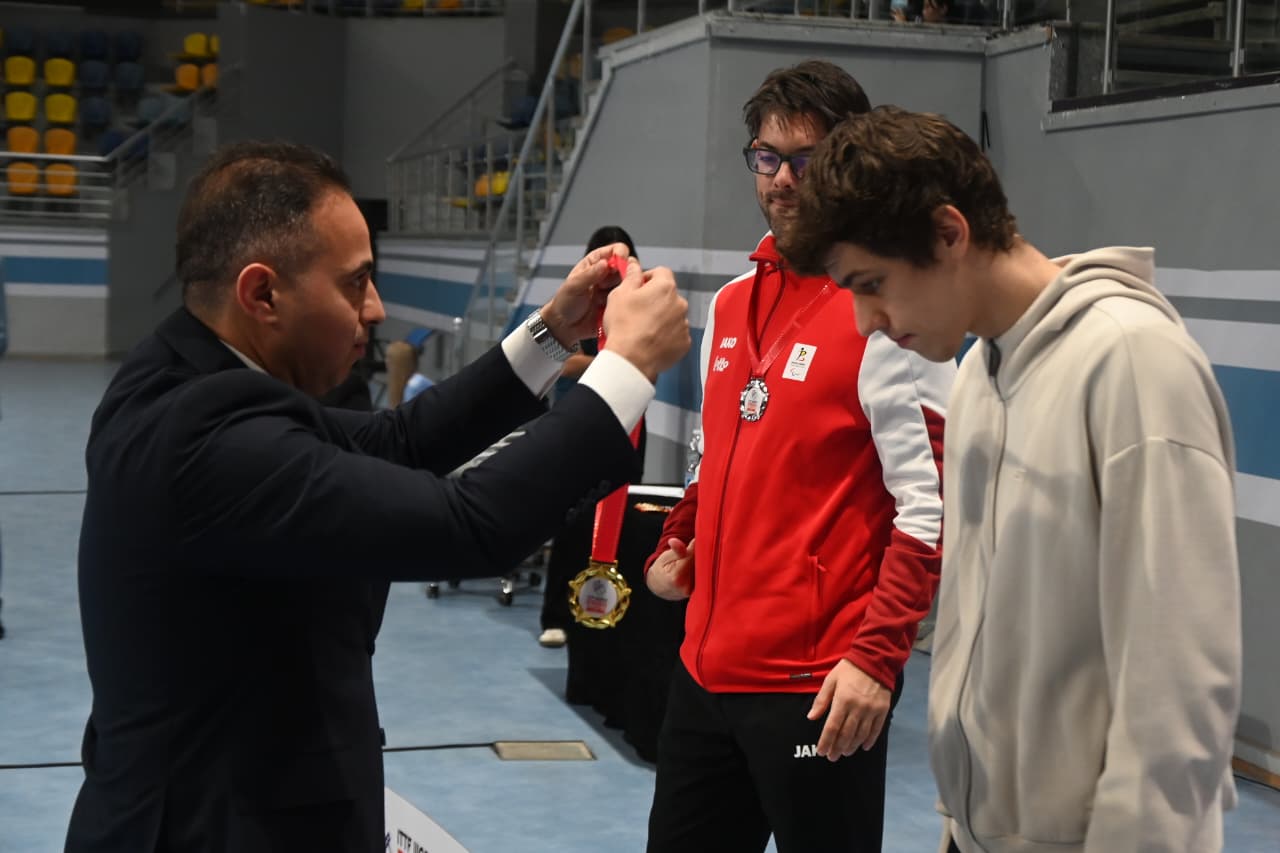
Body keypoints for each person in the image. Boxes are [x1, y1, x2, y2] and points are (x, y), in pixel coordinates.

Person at [65, 140, 690, 853]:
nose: (376, 308)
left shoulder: (189, 375)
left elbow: (395, 439)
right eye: (355, 283)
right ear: (261, 294)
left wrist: (554, 332)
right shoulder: (204, 439)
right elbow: (470, 525)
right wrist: (627, 369)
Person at [779, 105, 1241, 853]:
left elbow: (1177, 691)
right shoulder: (977, 378)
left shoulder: (1133, 364)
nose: (864, 321)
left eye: (872, 283)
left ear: (948, 233)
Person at [642, 62, 955, 852]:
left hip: (819, 690)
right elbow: (714, 461)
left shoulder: (887, 310)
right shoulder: (731, 305)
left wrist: (877, 660)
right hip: (703, 674)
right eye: (767, 157)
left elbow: (931, 507)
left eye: (806, 160)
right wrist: (679, 536)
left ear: (848, 164)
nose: (782, 180)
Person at [539, 224, 647, 648]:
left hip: (628, 420)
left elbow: (648, 361)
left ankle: (609, 612)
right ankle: (556, 616)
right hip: (578, 419)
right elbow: (563, 364)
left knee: (621, 520)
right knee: (570, 519)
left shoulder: (637, 306)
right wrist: (612, 361)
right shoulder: (579, 304)